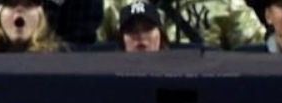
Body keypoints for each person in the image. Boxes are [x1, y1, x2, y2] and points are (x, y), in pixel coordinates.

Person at [98, 0, 264, 48]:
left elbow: (256, 52)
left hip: (209, 93)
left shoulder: (226, 3)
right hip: (135, 90)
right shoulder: (114, 4)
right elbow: (96, 57)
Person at [0, 0, 65, 52]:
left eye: (29, 5)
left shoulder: (63, 55)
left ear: (40, 16)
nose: (19, 9)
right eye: (11, 4)